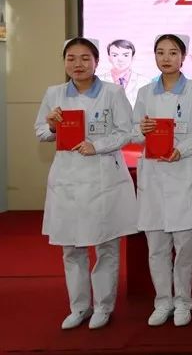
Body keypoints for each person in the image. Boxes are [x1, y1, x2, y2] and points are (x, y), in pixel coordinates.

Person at [34, 37, 138, 330]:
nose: (77, 64)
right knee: (71, 248)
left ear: (96, 62)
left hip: (103, 178)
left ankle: (103, 306)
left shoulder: (113, 92)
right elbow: (40, 132)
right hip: (67, 179)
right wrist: (52, 125)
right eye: (71, 58)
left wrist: (98, 145)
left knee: (106, 245)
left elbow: (126, 131)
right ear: (64, 62)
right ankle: (79, 307)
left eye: (84, 58)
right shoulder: (54, 93)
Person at [132, 34, 192, 328]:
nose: (166, 58)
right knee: (156, 247)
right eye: (160, 52)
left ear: (183, 57)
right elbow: (132, 131)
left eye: (173, 52)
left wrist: (183, 149)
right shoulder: (144, 92)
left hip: (185, 175)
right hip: (154, 177)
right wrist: (140, 129)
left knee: (184, 248)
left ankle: (183, 302)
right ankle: (162, 301)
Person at [99, 39, 147, 106]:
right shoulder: (98, 81)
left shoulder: (144, 81)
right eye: (115, 55)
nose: (120, 59)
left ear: (133, 57)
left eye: (125, 55)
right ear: (109, 58)